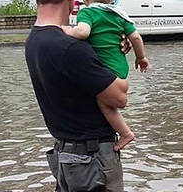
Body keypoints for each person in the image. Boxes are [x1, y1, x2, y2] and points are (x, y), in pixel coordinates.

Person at [25, 0, 131, 191]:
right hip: (91, 161)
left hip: (67, 157)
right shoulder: (70, 47)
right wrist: (117, 58)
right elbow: (120, 98)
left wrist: (107, 45)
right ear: (72, 2)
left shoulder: (35, 39)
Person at [62, 0, 149, 151]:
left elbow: (82, 32)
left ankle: (125, 133)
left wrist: (65, 30)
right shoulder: (118, 15)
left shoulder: (87, 13)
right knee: (107, 102)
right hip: (120, 67)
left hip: (106, 70)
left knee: (104, 104)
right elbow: (135, 38)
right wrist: (141, 58)